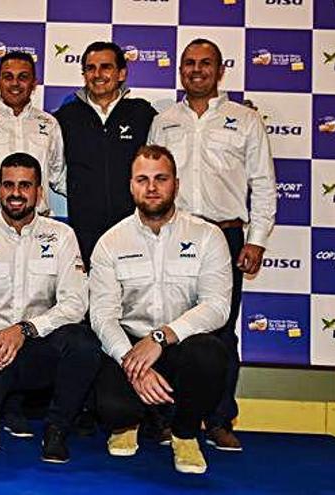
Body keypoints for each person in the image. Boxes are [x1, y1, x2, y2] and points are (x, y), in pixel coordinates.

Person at [148, 38, 276, 451]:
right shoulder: (164, 121)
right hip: (172, 233)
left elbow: (264, 185)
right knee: (168, 326)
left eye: (206, 64)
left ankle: (219, 419)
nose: (196, 70)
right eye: (189, 63)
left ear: (221, 71)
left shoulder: (245, 119)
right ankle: (169, 418)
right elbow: (151, 178)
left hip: (225, 234)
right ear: (180, 70)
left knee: (220, 330)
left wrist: (255, 240)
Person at [0, 152, 100, 464]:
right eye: (8, 185)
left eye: (25, 185)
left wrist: (25, 330)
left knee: (83, 344)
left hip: (38, 346)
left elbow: (75, 303)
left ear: (39, 192)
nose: (16, 193)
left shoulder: (61, 236)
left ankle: (57, 429)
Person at [89, 145, 231, 474]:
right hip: (130, 346)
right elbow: (102, 315)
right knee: (112, 408)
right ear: (131, 185)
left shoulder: (208, 236)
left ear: (176, 185)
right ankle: (127, 424)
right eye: (142, 179)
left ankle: (185, 433)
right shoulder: (111, 242)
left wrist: (162, 337)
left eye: (160, 178)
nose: (151, 187)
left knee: (210, 354)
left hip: (180, 343)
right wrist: (131, 361)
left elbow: (217, 306)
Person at [54, 41, 157, 267]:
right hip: (84, 232)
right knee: (90, 298)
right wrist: (78, 189)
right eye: (90, 68)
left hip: (135, 229)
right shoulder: (66, 117)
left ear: (121, 73)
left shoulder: (143, 114)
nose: (97, 74)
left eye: (105, 67)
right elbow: (51, 166)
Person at [0, 52, 66, 230]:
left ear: (34, 83)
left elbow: (58, 175)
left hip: (38, 221)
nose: (15, 83)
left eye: (23, 77)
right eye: (8, 77)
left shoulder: (49, 123)